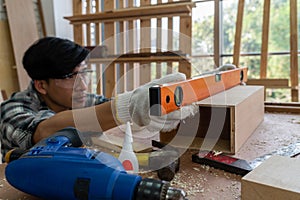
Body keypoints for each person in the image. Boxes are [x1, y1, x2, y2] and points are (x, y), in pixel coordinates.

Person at [0, 37, 198, 159]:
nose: (84, 86)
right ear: (41, 85)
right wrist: (126, 107)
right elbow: (43, 130)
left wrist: (148, 106)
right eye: (71, 77)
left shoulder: (79, 99)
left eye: (85, 73)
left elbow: (107, 111)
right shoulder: (12, 110)